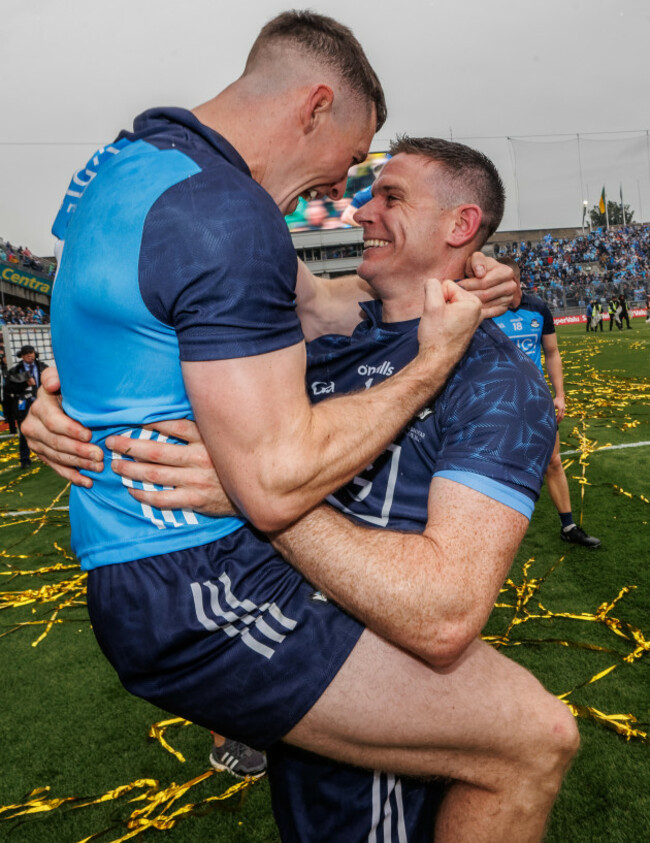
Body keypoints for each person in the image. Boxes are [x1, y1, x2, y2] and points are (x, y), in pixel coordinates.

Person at [27, 138, 578, 842]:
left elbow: (445, 611)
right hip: (303, 682)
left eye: (391, 197)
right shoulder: (326, 336)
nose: (360, 210)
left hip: (383, 711)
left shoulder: (496, 380)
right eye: (368, 192)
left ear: (460, 226)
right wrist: (52, 411)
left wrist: (256, 494)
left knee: (528, 742)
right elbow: (161, 316)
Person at [494, 258, 600, 548]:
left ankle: (569, 527)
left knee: (553, 462)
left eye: (501, 280)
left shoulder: (538, 308)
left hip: (537, 399)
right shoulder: (485, 312)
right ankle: (494, 533)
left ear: (516, 280)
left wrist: (560, 394)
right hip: (499, 401)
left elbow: (552, 353)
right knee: (497, 466)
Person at [5, 345, 47, 467]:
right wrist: (24, 384)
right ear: (22, 356)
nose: (30, 355)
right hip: (24, 404)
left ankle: (46, 456)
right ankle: (24, 459)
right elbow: (8, 388)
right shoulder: (15, 370)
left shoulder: (43, 367)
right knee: (24, 431)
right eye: (27, 353)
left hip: (41, 402)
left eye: (31, 352)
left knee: (45, 430)